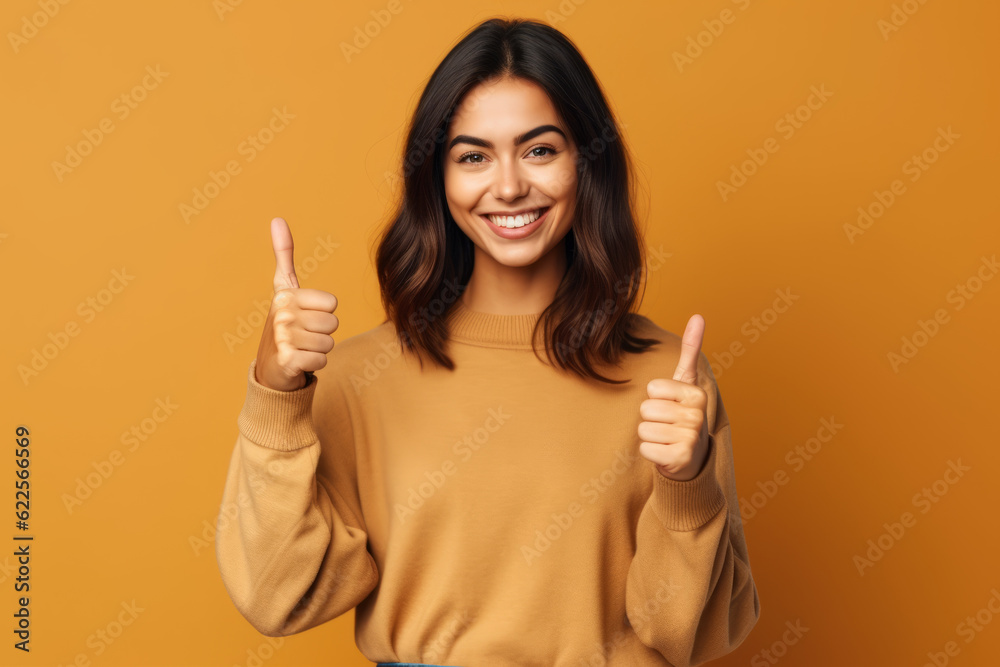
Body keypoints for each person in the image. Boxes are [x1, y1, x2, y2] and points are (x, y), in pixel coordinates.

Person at [215, 16, 760, 667]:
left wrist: (687, 483)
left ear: (587, 161)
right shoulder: (358, 379)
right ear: (436, 180)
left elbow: (693, 635)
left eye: (539, 150)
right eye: (473, 156)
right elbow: (278, 597)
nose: (507, 186)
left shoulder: (672, 380)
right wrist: (276, 392)